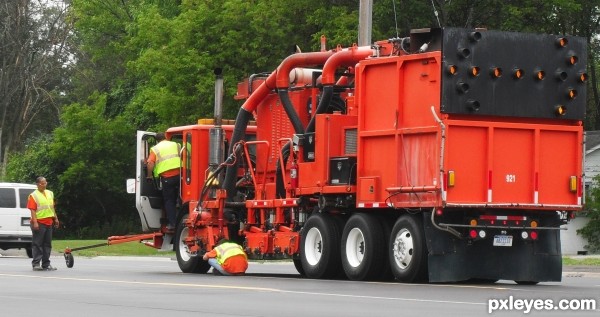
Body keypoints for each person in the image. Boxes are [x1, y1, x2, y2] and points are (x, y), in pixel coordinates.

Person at [146, 132, 181, 230]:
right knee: (181, 198)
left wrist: (149, 176)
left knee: (169, 201)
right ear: (166, 137)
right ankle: (183, 220)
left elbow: (150, 164)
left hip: (167, 178)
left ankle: (173, 224)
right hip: (180, 175)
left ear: (157, 140)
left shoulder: (155, 149)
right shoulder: (176, 145)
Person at [27, 176, 60, 271]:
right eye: (42, 183)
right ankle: (36, 264)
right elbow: (32, 210)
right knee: (37, 244)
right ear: (37, 184)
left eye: (45, 183)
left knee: (47, 244)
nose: (44, 185)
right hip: (39, 222)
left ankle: (46, 264)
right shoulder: (33, 195)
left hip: (49, 222)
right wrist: (35, 222)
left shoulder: (50, 193)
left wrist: (56, 219)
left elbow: (52, 208)